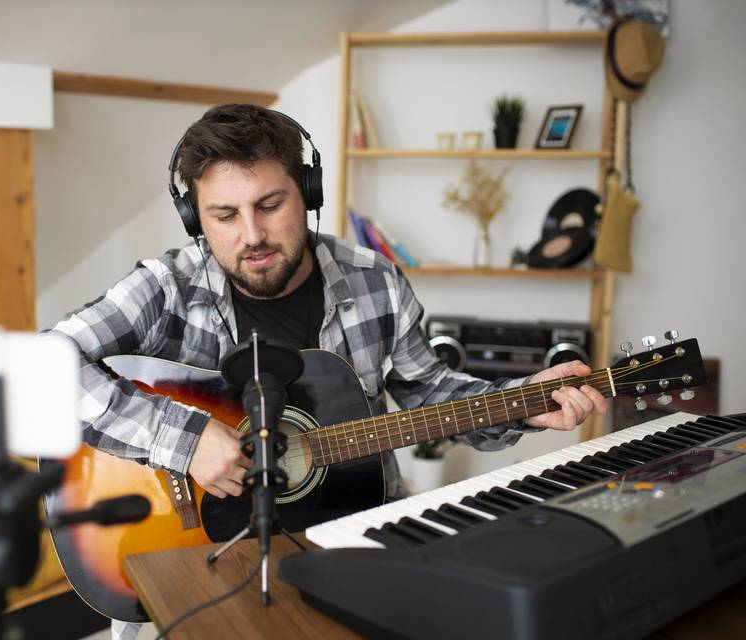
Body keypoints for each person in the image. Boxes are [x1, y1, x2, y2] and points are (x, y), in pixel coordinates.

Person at [49, 104, 607, 639]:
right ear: (195, 216)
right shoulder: (167, 288)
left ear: (308, 194)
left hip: (351, 539)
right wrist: (185, 440)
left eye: (270, 205)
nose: (252, 236)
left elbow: (430, 394)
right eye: (224, 215)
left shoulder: (376, 282)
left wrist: (525, 400)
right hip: (188, 559)